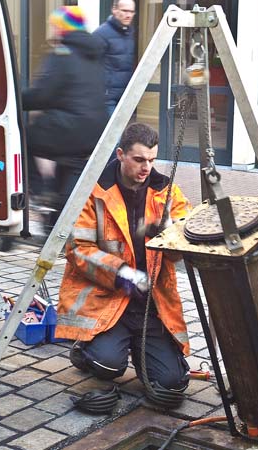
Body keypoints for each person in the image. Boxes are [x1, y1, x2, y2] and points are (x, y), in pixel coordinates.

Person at [55, 123, 191, 406]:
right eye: (139, 160)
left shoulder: (165, 191)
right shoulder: (94, 191)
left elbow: (186, 234)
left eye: (152, 160)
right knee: (107, 366)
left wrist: (171, 233)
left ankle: (144, 356)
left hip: (150, 305)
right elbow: (77, 248)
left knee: (172, 383)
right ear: (120, 154)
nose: (146, 168)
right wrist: (120, 273)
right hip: (110, 300)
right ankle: (86, 351)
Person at [22, 6, 108, 230]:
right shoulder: (94, 55)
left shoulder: (62, 54)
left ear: (62, 27)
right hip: (95, 131)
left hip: (70, 128)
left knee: (25, 137)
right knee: (68, 170)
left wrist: (15, 99)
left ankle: (39, 194)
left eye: (55, 25)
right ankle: (55, 227)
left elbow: (43, 95)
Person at [93, 0, 136, 116]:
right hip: (107, 98)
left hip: (124, 97)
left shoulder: (129, 32)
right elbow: (89, 64)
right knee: (113, 133)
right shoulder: (101, 33)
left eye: (132, 11)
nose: (128, 15)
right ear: (114, 10)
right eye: (125, 10)